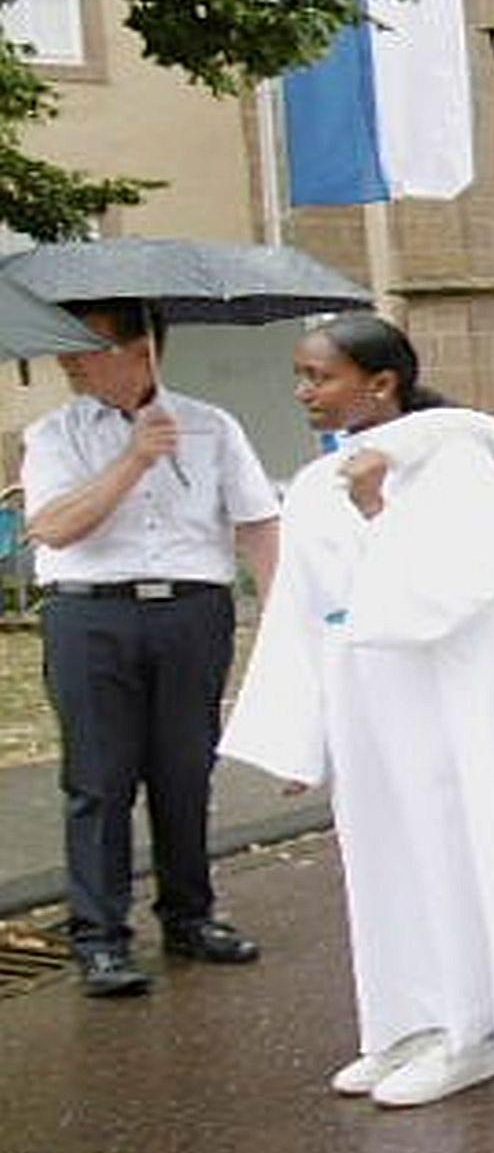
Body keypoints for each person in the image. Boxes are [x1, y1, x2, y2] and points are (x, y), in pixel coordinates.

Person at [220, 313, 494, 1106]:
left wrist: (382, 510)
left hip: (447, 681)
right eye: (302, 375)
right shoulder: (320, 481)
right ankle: (404, 1022)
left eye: (320, 376)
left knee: (454, 844)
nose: (302, 391)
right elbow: (301, 608)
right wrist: (299, 734)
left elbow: (465, 581)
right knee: (383, 856)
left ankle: (471, 1027)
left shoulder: (459, 466)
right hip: (365, 687)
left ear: (380, 383)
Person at [22, 298, 278, 996]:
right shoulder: (56, 432)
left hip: (192, 612)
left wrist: (282, 627)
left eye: (86, 344)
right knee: (98, 782)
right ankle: (101, 938)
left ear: (143, 349)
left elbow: (259, 526)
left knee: (184, 772)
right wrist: (134, 459)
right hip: (90, 617)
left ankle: (191, 916)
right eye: (63, 345)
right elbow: (52, 526)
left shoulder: (212, 424)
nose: (68, 359)